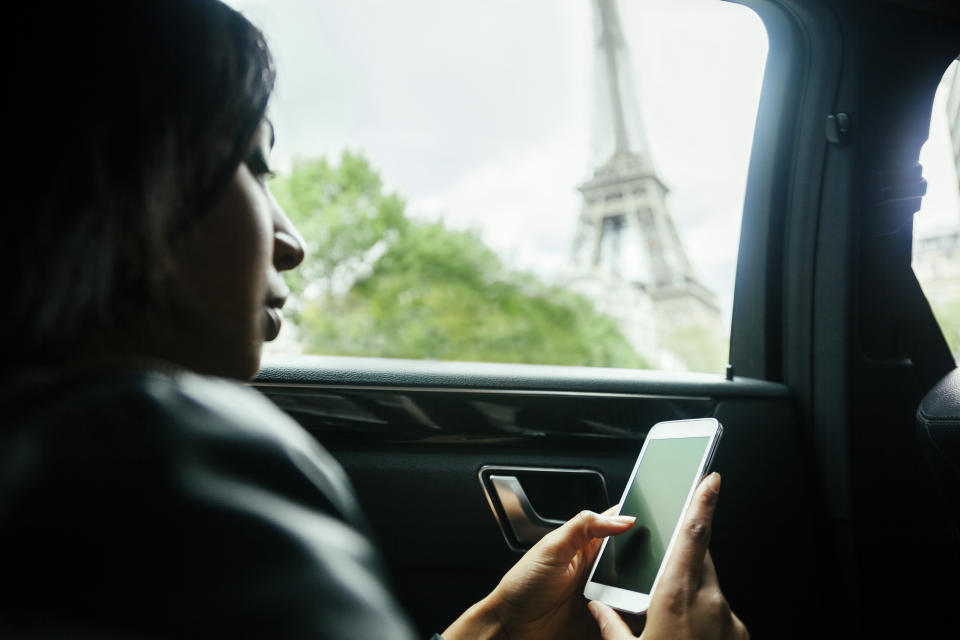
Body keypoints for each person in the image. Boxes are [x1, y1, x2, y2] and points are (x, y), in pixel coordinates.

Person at [0, 1, 747, 638]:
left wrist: (493, 626)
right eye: (255, 168)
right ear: (118, 188)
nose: (291, 242)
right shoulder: (162, 456)